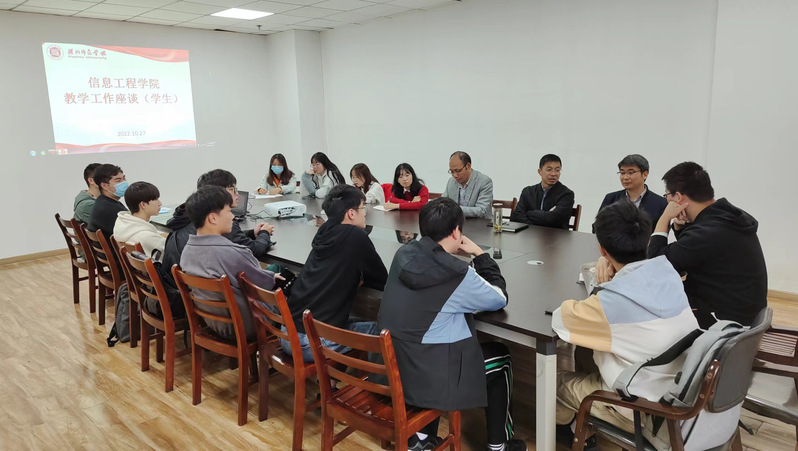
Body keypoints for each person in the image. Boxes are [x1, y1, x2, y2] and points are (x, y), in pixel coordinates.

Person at [378, 197, 525, 451]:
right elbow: (498, 298)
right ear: (457, 231)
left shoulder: (403, 253)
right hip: (429, 374)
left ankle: (421, 437)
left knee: (433, 334)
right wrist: (480, 255)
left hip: (394, 364)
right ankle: (499, 446)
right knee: (500, 357)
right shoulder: (457, 273)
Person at [552, 201, 699, 448]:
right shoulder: (667, 271)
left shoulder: (611, 302)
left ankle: (572, 431)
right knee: (586, 350)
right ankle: (580, 424)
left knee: (553, 382)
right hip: (680, 390)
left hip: (641, 409)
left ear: (602, 249)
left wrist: (602, 283)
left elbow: (561, 320)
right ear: (646, 239)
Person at [646, 162, 767, 328]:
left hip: (727, 324)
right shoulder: (727, 217)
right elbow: (695, 256)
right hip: (745, 313)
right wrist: (681, 228)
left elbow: (655, 266)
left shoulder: (706, 233)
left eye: (667, 195)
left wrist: (664, 218)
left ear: (678, 197)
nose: (667, 200)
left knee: (649, 297)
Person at [282, 184, 388, 362]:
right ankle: (371, 378)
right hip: (310, 343)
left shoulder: (324, 233)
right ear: (351, 213)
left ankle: (335, 376)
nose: (365, 214)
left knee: (351, 320)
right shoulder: (356, 236)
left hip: (287, 333)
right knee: (382, 331)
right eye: (363, 208)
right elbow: (381, 280)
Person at [179, 186, 277, 340]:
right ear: (213, 218)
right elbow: (265, 286)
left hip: (213, 323)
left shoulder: (187, 251)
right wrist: (273, 277)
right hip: (247, 326)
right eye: (229, 211)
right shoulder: (233, 252)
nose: (233, 216)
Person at [163, 169, 275, 272]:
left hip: (178, 283)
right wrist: (264, 233)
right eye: (232, 189)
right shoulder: (217, 221)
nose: (237, 194)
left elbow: (229, 237)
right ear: (216, 192)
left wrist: (251, 233)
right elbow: (253, 251)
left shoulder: (191, 216)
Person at [596, 154, 666, 232]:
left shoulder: (661, 203)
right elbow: (597, 227)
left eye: (631, 172)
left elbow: (660, 233)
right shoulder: (611, 199)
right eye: (622, 173)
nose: (625, 177)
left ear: (645, 174)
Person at [510, 154, 575, 229]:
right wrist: (535, 228)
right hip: (529, 234)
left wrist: (529, 213)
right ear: (540, 171)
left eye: (557, 170)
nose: (553, 174)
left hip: (555, 235)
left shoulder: (566, 194)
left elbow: (553, 219)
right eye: (549, 170)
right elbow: (516, 216)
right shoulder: (528, 191)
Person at [114, 181, 166, 261]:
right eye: (155, 199)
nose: (160, 203)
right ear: (143, 205)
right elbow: (175, 252)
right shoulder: (147, 236)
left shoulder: (124, 224)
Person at [442, 151, 493, 218]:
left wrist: (454, 210)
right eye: (452, 171)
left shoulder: (484, 182)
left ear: (468, 166)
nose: (455, 175)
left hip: (479, 223)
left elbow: (482, 211)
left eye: (457, 171)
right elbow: (443, 202)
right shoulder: (451, 182)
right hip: (457, 223)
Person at [88, 164, 129, 238]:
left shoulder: (103, 201)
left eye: (124, 178)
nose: (124, 182)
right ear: (105, 186)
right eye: (118, 180)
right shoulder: (108, 208)